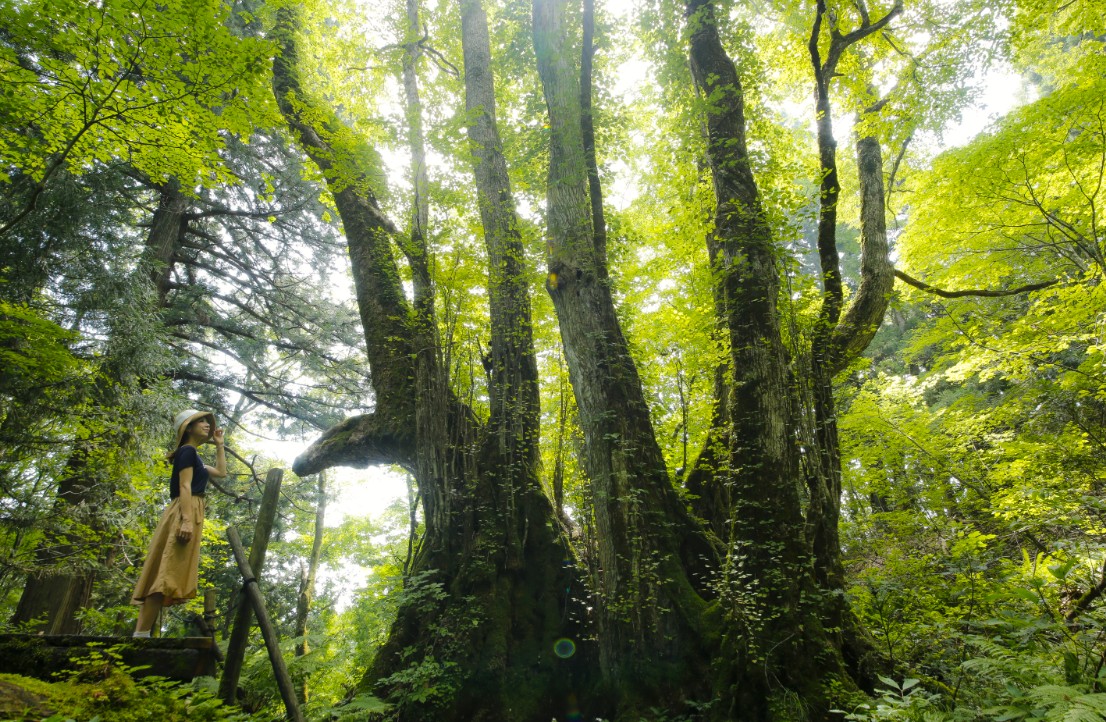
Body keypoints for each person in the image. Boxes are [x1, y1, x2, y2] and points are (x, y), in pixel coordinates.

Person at [132, 409, 227, 637]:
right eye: (200, 421)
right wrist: (186, 520)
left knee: (166, 572)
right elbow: (185, 486)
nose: (207, 424)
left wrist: (220, 445)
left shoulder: (195, 457)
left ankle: (141, 634)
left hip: (189, 510)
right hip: (185, 510)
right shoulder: (187, 451)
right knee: (166, 572)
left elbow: (221, 472)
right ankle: (141, 636)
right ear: (188, 428)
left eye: (206, 421)